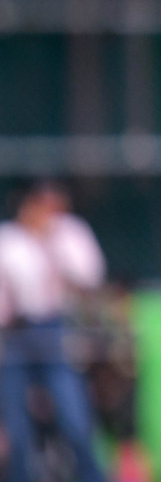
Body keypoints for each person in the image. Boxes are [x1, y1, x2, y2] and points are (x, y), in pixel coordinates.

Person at [0, 180, 108, 482]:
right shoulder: (8, 240)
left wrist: (51, 244)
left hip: (55, 326)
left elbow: (90, 278)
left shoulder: (69, 233)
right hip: (15, 334)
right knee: (16, 424)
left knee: (73, 416)